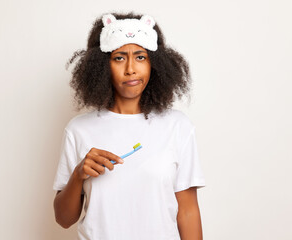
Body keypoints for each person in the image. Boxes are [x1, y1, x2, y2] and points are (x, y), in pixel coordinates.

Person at [53, 12, 206, 240]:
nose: (131, 69)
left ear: (156, 63)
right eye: (119, 58)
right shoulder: (78, 130)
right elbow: (63, 219)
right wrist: (78, 174)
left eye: (141, 57)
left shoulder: (178, 126)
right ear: (102, 66)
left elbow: (188, 211)